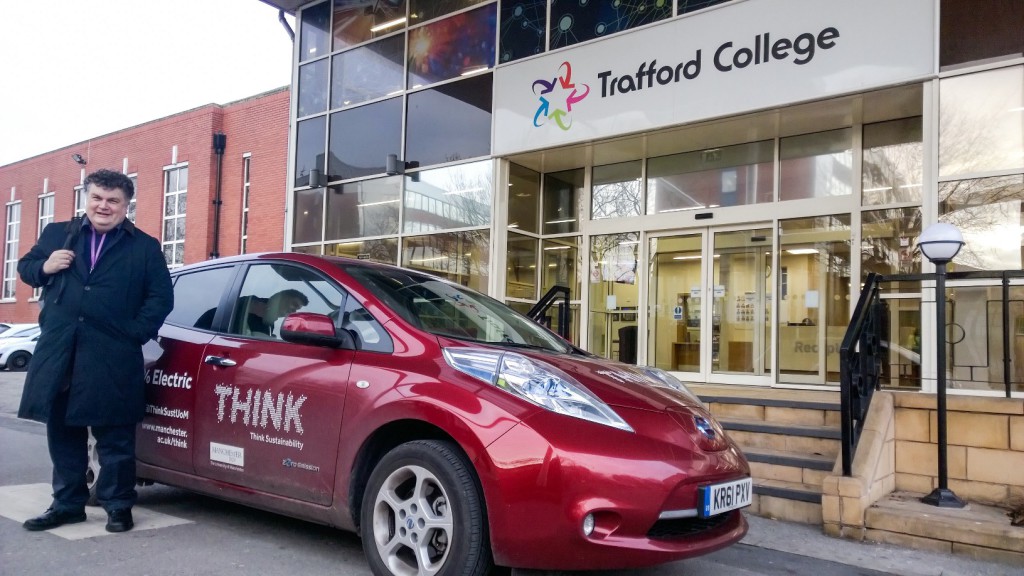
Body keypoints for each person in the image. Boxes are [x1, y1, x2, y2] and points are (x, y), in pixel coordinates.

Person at [17, 169, 173, 533]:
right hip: (62, 351)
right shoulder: (58, 234)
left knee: (115, 436)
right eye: (97, 198)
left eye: (113, 200)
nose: (104, 206)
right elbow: (25, 269)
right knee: (63, 433)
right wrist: (45, 265)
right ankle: (68, 504)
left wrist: (134, 333)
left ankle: (118, 505)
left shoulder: (144, 246)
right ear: (86, 199)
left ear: (125, 206)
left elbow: (160, 297)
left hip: (112, 354)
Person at [240, 289, 308, 336]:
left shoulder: (270, 324)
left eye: (297, 309)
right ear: (281, 298)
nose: (294, 311)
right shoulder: (248, 303)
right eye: (294, 305)